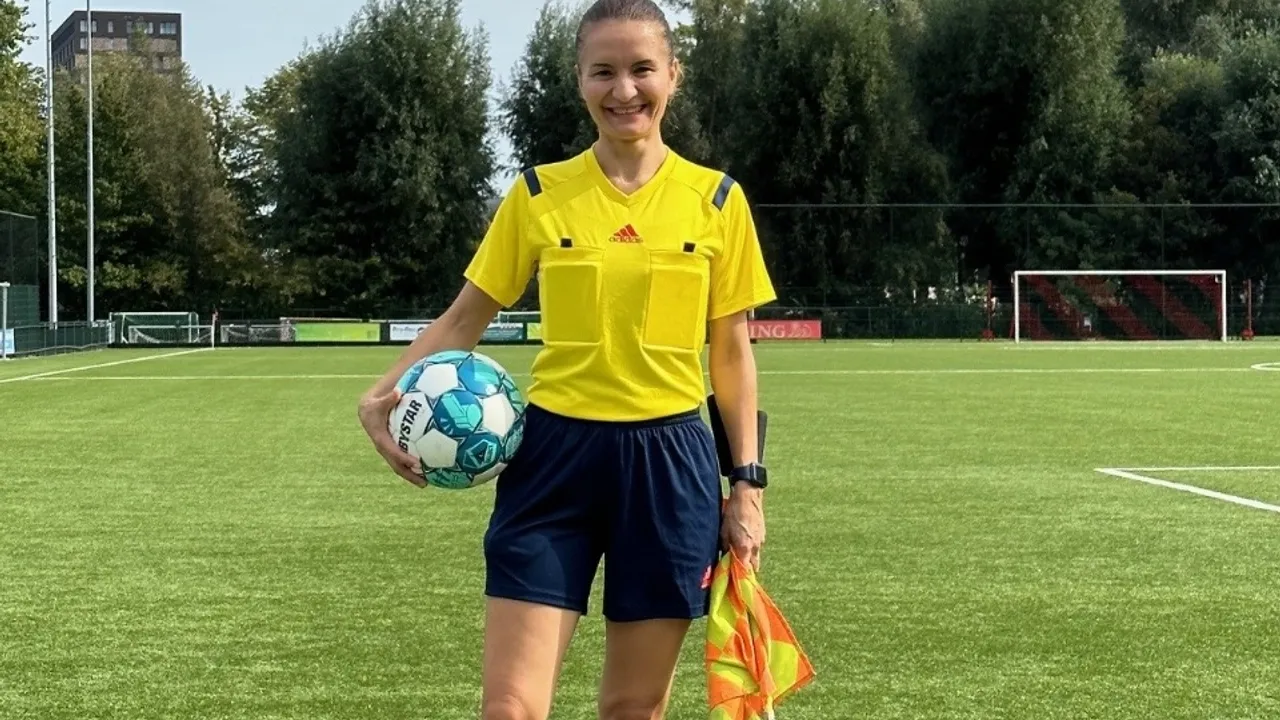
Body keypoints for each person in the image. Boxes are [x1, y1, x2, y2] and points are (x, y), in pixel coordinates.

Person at [356, 0, 776, 717]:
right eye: (603, 72)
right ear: (579, 80)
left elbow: (732, 356)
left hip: (669, 466)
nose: (624, 90)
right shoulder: (537, 194)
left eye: (642, 69)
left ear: (673, 74)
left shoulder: (716, 200)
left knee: (631, 710)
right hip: (552, 461)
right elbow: (465, 317)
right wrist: (378, 398)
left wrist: (748, 488)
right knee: (511, 708)